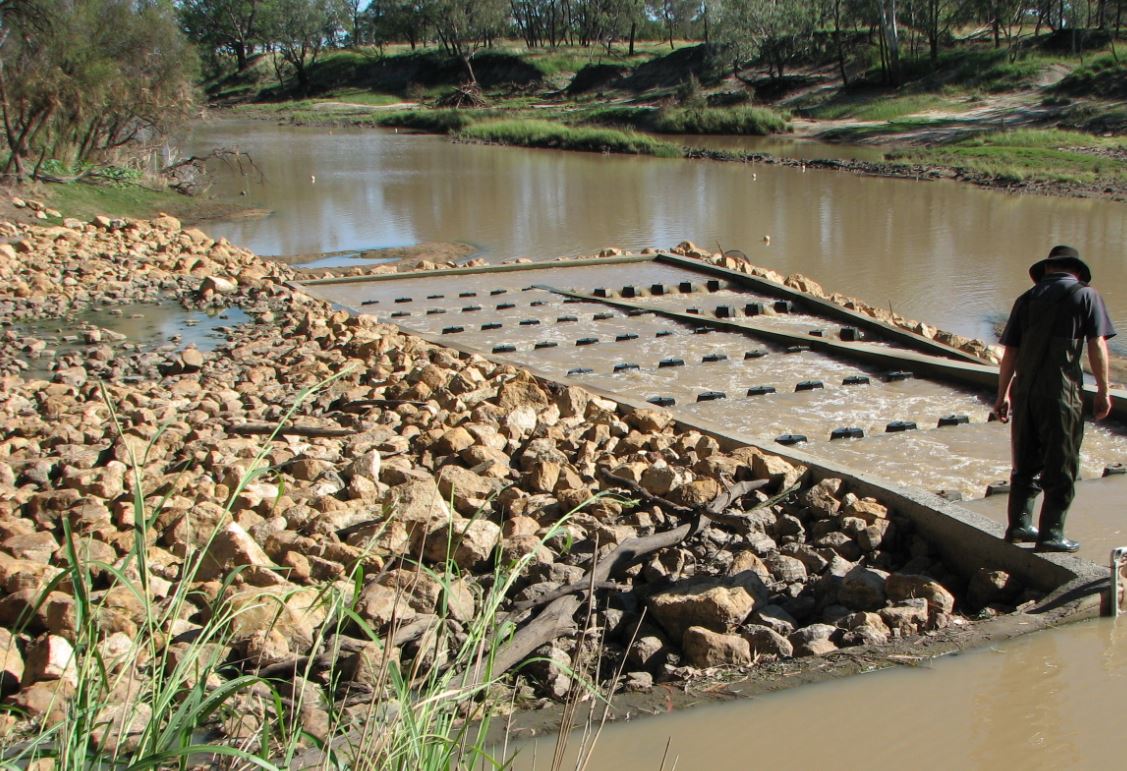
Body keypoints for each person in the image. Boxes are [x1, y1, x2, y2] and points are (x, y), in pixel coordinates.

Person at [994, 245, 1115, 552]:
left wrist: (1003, 394)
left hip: (1025, 393)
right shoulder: (1085, 296)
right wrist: (1103, 390)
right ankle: (1051, 534)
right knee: (1062, 464)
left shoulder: (1027, 299)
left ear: (1047, 269)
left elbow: (1010, 353)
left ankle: (1019, 526)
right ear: (1076, 270)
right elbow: (1097, 346)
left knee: (1025, 462)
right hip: (1062, 394)